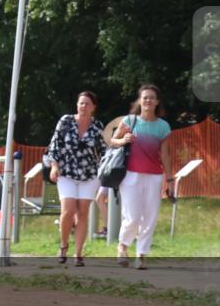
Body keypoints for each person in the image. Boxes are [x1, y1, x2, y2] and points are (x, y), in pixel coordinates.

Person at [110, 84, 172, 270]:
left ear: (157, 102)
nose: (148, 100)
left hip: (154, 176)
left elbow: (166, 154)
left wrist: (170, 180)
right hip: (131, 175)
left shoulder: (163, 126)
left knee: (150, 217)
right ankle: (122, 246)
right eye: (145, 97)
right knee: (133, 216)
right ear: (139, 100)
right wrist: (123, 140)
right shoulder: (129, 121)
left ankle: (141, 254)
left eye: (152, 97)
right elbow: (113, 141)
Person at [46, 91, 106, 266]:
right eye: (81, 103)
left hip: (89, 174)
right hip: (66, 172)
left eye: (87, 104)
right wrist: (54, 166)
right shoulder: (65, 121)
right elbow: (54, 144)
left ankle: (78, 253)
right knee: (68, 211)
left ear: (93, 107)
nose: (83, 107)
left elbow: (103, 151)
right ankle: (63, 244)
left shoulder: (97, 126)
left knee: (82, 214)